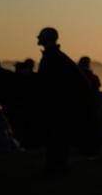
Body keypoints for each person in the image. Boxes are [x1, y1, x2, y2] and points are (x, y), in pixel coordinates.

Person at [35, 28, 90, 173]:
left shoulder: (52, 58)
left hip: (57, 106)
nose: (37, 38)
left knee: (56, 137)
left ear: (46, 39)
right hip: (60, 105)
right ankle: (56, 166)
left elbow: (47, 83)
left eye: (40, 36)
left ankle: (56, 167)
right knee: (57, 137)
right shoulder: (57, 57)